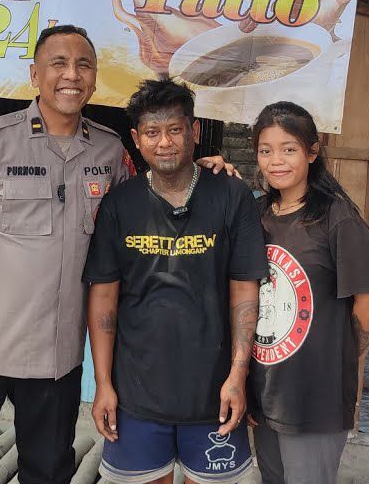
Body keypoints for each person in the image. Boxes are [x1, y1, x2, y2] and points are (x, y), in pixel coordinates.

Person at [0, 26, 236, 484]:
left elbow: (150, 198)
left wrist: (193, 169)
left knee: (48, 474)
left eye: (84, 65)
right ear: (35, 74)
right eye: (58, 64)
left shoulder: (108, 150)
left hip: (57, 359)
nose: (71, 75)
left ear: (95, 79)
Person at [84, 79, 266, 484]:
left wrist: (238, 376)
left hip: (214, 394)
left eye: (175, 130)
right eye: (152, 132)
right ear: (136, 139)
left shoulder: (231, 196)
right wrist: (103, 383)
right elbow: (104, 297)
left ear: (194, 131)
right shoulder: (119, 204)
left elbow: (244, 290)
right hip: (136, 396)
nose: (164, 142)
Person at [248, 101, 369, 484]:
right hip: (266, 388)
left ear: (311, 152)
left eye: (289, 149)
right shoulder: (256, 215)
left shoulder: (337, 219)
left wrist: (345, 363)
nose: (276, 161)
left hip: (316, 395)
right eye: (265, 150)